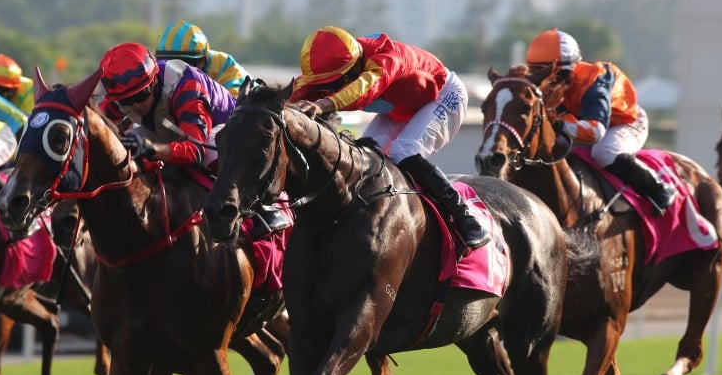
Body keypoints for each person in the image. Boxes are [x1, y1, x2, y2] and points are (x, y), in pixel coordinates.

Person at [289, 25, 489, 249]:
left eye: (335, 83)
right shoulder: (339, 68)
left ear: (354, 67)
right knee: (365, 158)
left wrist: (324, 104)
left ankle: (466, 217)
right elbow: (297, 92)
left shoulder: (385, 59)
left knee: (404, 151)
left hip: (444, 95)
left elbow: (365, 88)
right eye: (324, 86)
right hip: (401, 109)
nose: (329, 89)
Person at [99, 42, 288, 237]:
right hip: (170, 128)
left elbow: (194, 152)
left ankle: (267, 209)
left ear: (154, 79)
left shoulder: (186, 86)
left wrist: (153, 150)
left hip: (222, 131)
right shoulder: (119, 94)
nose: (136, 105)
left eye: (141, 94)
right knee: (122, 147)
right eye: (126, 101)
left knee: (211, 154)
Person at [525, 28, 677, 213]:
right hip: (584, 123)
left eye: (549, 74)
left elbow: (595, 132)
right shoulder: (551, 83)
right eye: (538, 73)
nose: (543, 82)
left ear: (566, 71)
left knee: (604, 152)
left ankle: (659, 188)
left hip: (625, 123)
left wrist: (557, 123)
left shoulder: (594, 81)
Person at [155, 20, 251, 98]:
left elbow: (233, 113)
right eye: (165, 63)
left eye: (181, 64)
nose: (172, 70)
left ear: (201, 61)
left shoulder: (227, 68)